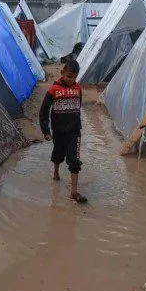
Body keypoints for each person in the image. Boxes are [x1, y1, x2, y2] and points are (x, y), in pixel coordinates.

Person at [40, 60, 87, 203]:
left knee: (74, 160)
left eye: (74, 77)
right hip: (59, 131)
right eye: (69, 76)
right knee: (58, 155)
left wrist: (75, 123)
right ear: (62, 73)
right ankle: (56, 172)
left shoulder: (78, 88)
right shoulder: (53, 90)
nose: (71, 79)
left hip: (74, 131)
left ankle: (74, 191)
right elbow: (44, 111)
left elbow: (78, 107)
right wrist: (46, 131)